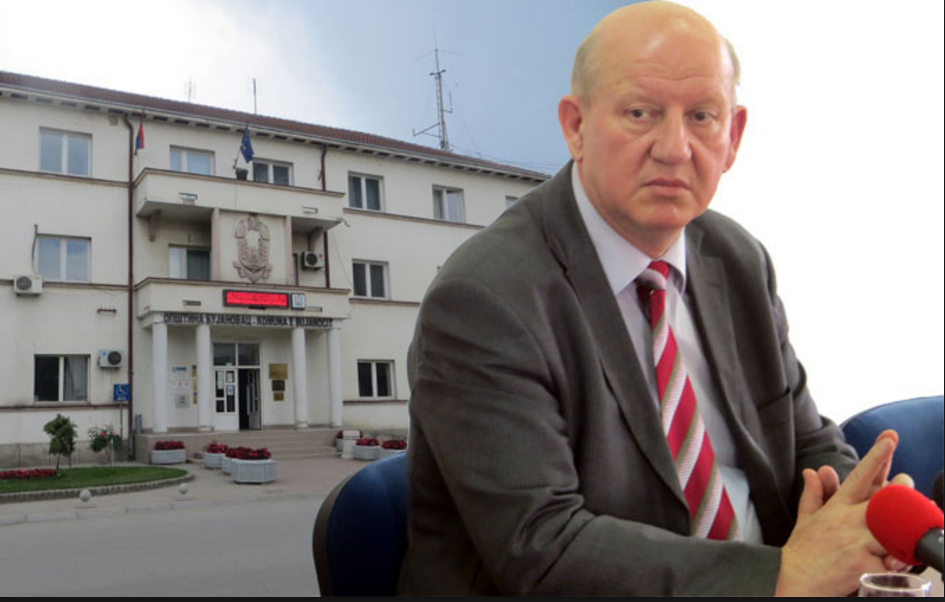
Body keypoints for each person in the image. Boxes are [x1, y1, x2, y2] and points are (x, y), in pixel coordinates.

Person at [398, 1, 912, 596]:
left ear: (733, 136)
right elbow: (541, 548)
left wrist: (859, 524)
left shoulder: (737, 259)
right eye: (640, 113)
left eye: (701, 117)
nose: (674, 148)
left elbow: (805, 442)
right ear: (576, 126)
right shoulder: (485, 299)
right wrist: (782, 576)